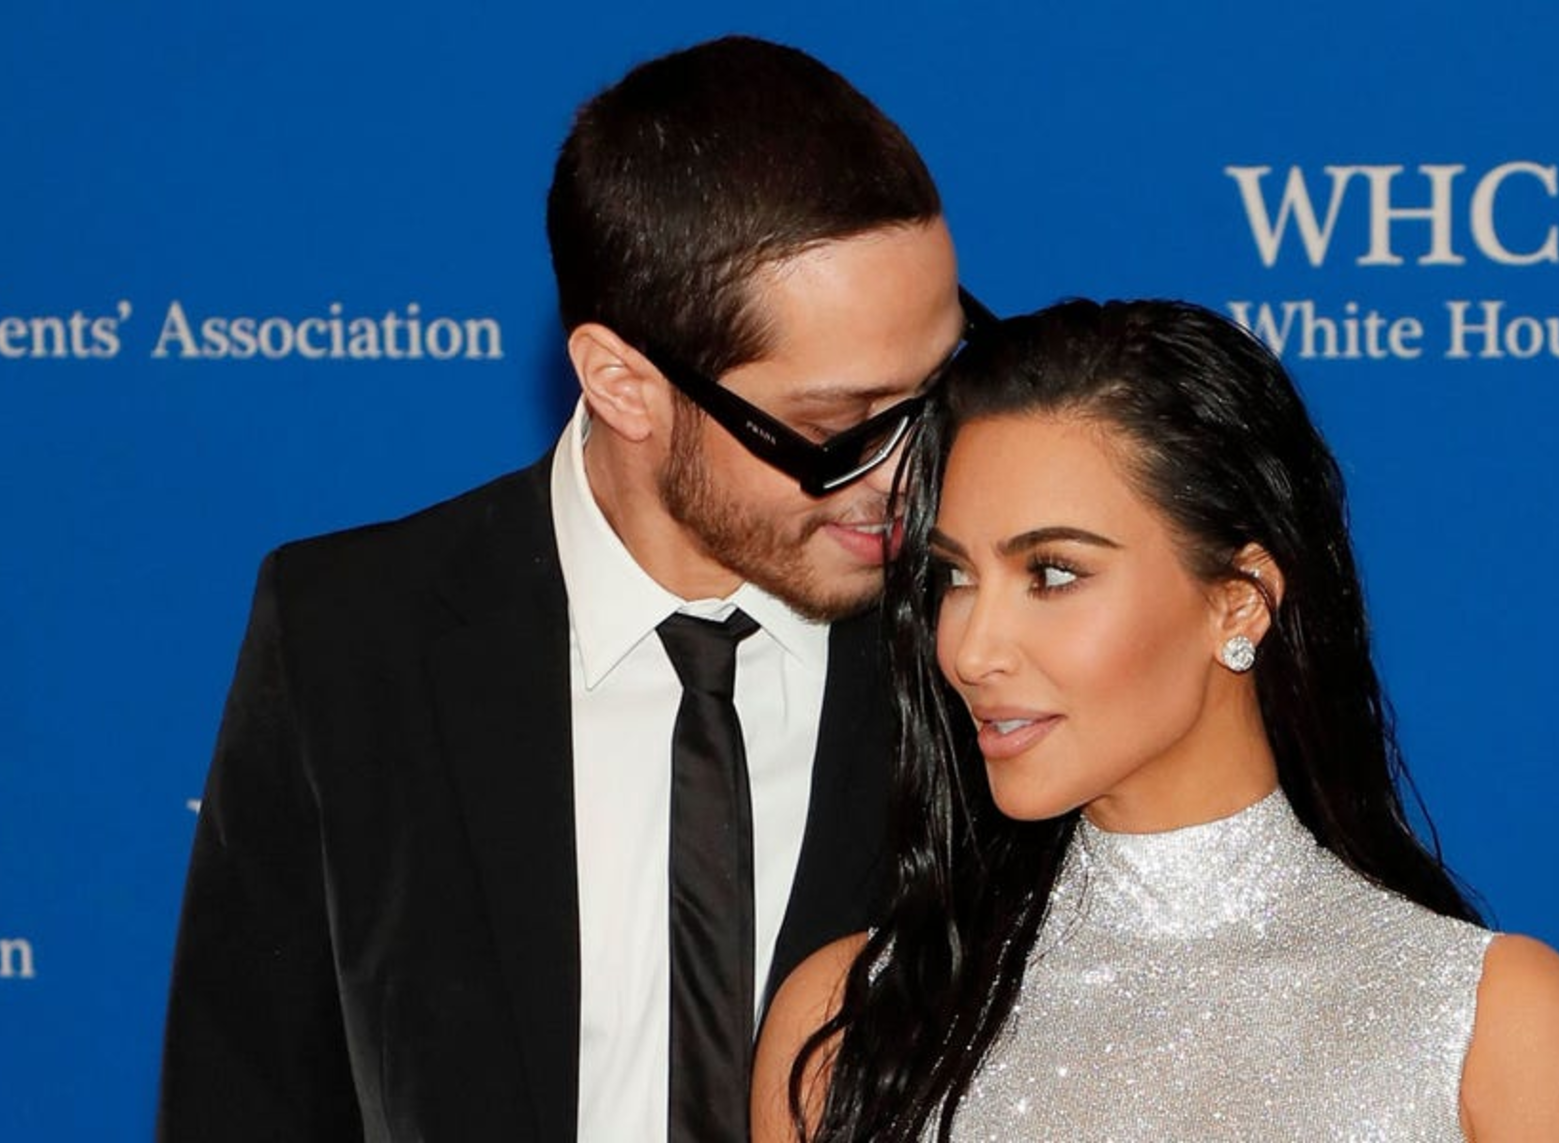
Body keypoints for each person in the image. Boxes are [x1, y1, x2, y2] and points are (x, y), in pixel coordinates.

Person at [159, 37, 975, 1143]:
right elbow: (243, 1099)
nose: (904, 473)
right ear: (623, 384)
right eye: (835, 428)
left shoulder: (977, 642)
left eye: (933, 391)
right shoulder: (349, 637)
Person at [751, 300, 1559, 1141]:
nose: (971, 650)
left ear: (1240, 601)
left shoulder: (1483, 1023)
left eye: (1052, 573)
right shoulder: (846, 1024)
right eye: (957, 576)